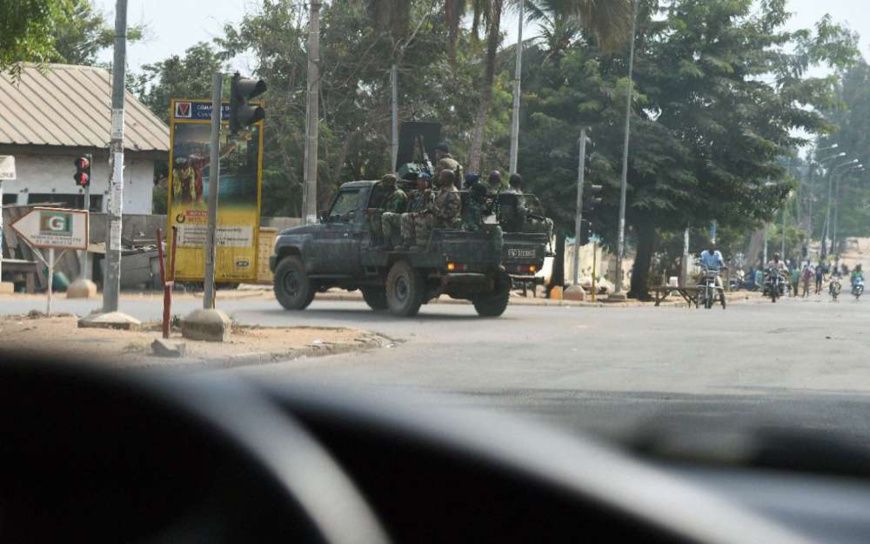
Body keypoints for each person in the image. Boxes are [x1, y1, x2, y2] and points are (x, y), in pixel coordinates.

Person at [403, 170, 462, 250]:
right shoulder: (442, 190)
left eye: (441, 176)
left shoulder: (452, 193)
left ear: (447, 179)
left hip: (446, 222)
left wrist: (430, 205)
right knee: (408, 216)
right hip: (437, 217)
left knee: (421, 219)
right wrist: (425, 211)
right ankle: (407, 242)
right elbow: (434, 206)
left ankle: (422, 245)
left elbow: (447, 215)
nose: (439, 178)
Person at [386, 174, 429, 249]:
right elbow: (408, 206)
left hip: (423, 215)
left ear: (427, 183)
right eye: (418, 180)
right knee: (405, 215)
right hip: (413, 215)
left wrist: (420, 211)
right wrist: (410, 198)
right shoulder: (415, 193)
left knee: (417, 217)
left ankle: (421, 245)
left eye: (422, 181)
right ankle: (406, 242)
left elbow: (429, 208)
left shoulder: (428, 193)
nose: (419, 182)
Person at [366, 174, 406, 248]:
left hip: (401, 218)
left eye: (385, 183)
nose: (383, 186)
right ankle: (377, 241)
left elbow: (394, 210)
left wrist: (376, 210)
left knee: (385, 216)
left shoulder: (398, 194)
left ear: (390, 184)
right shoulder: (389, 194)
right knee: (374, 216)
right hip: (393, 217)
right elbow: (384, 207)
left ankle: (387, 242)